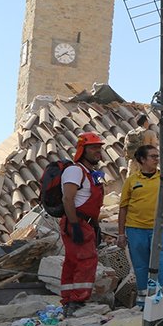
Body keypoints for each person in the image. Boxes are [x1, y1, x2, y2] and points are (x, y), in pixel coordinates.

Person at [117, 144, 163, 306]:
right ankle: (145, 302)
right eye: (153, 156)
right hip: (135, 230)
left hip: (161, 228)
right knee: (141, 265)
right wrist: (121, 233)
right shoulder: (131, 181)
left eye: (158, 156)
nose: (157, 159)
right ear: (142, 160)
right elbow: (123, 208)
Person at [59, 132, 106, 314]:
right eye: (93, 147)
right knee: (86, 260)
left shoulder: (90, 173)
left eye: (99, 148)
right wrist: (75, 226)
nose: (98, 151)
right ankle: (77, 300)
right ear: (82, 150)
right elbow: (67, 199)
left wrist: (95, 226)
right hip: (76, 221)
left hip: (86, 223)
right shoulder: (75, 171)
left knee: (73, 261)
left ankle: (69, 300)